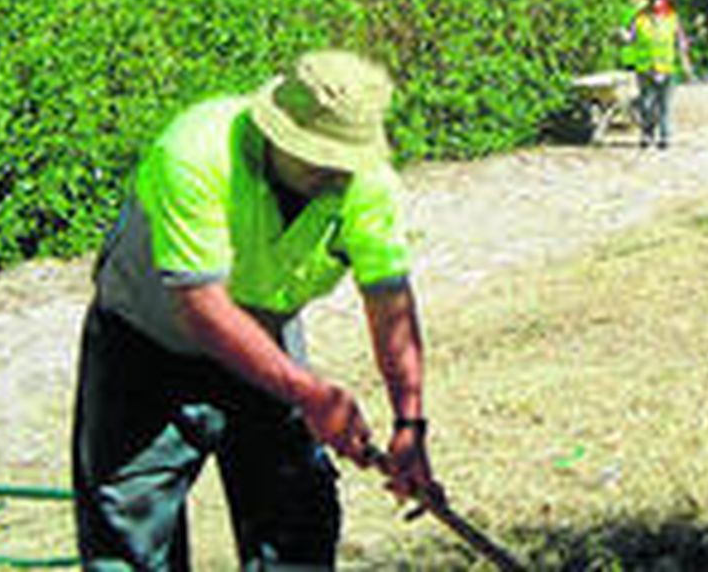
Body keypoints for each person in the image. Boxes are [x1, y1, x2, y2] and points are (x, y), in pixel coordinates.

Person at [72, 50, 440, 570]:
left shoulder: (366, 183)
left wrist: (410, 424)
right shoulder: (195, 151)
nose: (337, 174)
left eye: (345, 161)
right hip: (145, 344)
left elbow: (391, 308)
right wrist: (310, 393)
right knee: (130, 533)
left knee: (297, 517)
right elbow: (200, 310)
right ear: (276, 135)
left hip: (264, 341)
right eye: (321, 160)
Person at [628, 0, 694, 149]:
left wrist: (686, 65)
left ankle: (665, 137)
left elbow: (681, 42)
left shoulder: (672, 19)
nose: (655, 1)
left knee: (664, 106)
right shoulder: (639, 19)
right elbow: (631, 37)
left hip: (666, 68)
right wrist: (622, 37)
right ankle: (647, 134)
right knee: (647, 105)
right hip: (645, 68)